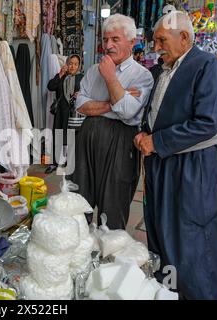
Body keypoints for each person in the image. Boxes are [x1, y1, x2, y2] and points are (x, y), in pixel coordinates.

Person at [135, 11, 217, 300]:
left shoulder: (207, 67)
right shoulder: (163, 69)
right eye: (155, 41)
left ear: (185, 38)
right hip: (163, 163)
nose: (156, 47)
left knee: (191, 238)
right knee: (160, 229)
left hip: (193, 167)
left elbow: (207, 123)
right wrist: (144, 132)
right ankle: (166, 291)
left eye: (162, 40)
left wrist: (157, 141)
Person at [73, 14, 154, 230]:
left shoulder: (142, 76)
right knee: (79, 202)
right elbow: (80, 105)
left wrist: (110, 77)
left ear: (131, 42)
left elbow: (127, 112)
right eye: (105, 39)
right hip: (87, 140)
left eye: (115, 39)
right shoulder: (92, 70)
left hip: (121, 144)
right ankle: (79, 252)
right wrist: (114, 101)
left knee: (113, 206)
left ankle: (109, 258)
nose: (108, 45)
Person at [45, 54, 84, 174]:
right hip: (61, 111)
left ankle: (69, 162)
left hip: (73, 113)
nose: (73, 66)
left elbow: (88, 92)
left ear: (79, 66)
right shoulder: (62, 76)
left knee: (72, 137)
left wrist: (80, 94)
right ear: (67, 64)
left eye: (75, 64)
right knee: (58, 135)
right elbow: (50, 86)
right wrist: (60, 74)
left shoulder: (81, 78)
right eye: (71, 63)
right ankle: (54, 163)